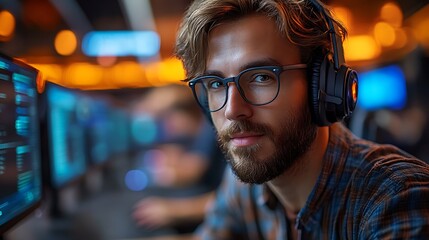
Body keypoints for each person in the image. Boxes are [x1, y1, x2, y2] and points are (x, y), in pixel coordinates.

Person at [171, 0, 429, 239]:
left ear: (321, 87)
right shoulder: (246, 188)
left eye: (262, 77)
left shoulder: (397, 198)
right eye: (215, 83)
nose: (232, 110)